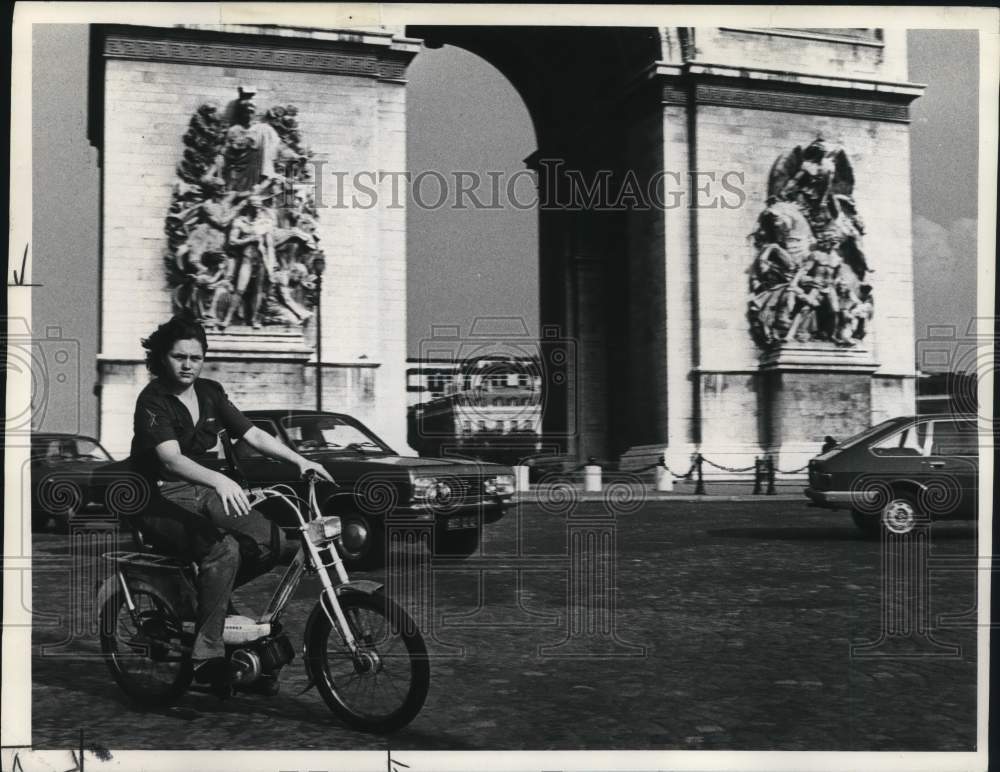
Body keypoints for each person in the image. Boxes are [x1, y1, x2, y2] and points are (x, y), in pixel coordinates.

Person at [128, 316, 332, 693]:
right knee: (222, 552)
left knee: (271, 542)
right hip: (160, 496)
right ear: (162, 358)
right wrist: (221, 480)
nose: (188, 364)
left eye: (196, 356)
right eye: (179, 356)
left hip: (206, 492)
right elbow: (171, 459)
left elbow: (252, 432)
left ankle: (209, 600)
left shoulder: (210, 392)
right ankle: (206, 657)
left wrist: (300, 460)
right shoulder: (153, 400)